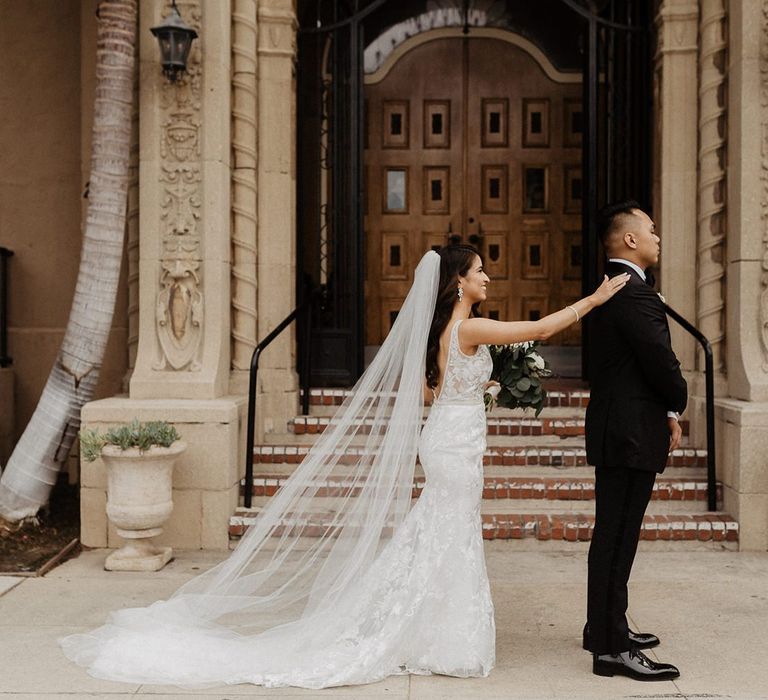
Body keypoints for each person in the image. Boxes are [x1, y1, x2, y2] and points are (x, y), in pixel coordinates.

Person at [60, 245, 628, 689]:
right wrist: (594, 301)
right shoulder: (470, 327)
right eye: (480, 271)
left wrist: (487, 386)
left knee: (445, 531)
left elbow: (438, 395)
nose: (487, 278)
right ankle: (443, 640)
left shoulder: (447, 335)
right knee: (450, 533)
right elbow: (541, 331)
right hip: (455, 447)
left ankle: (435, 634)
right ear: (458, 282)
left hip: (452, 436)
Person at [583, 201, 688, 681]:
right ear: (630, 240)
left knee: (612, 533)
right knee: (618, 537)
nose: (657, 236)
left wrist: (666, 408)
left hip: (618, 424)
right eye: (650, 229)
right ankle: (611, 649)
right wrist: (678, 400)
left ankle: (603, 627)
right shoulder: (633, 293)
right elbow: (660, 361)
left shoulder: (614, 288)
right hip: (628, 431)